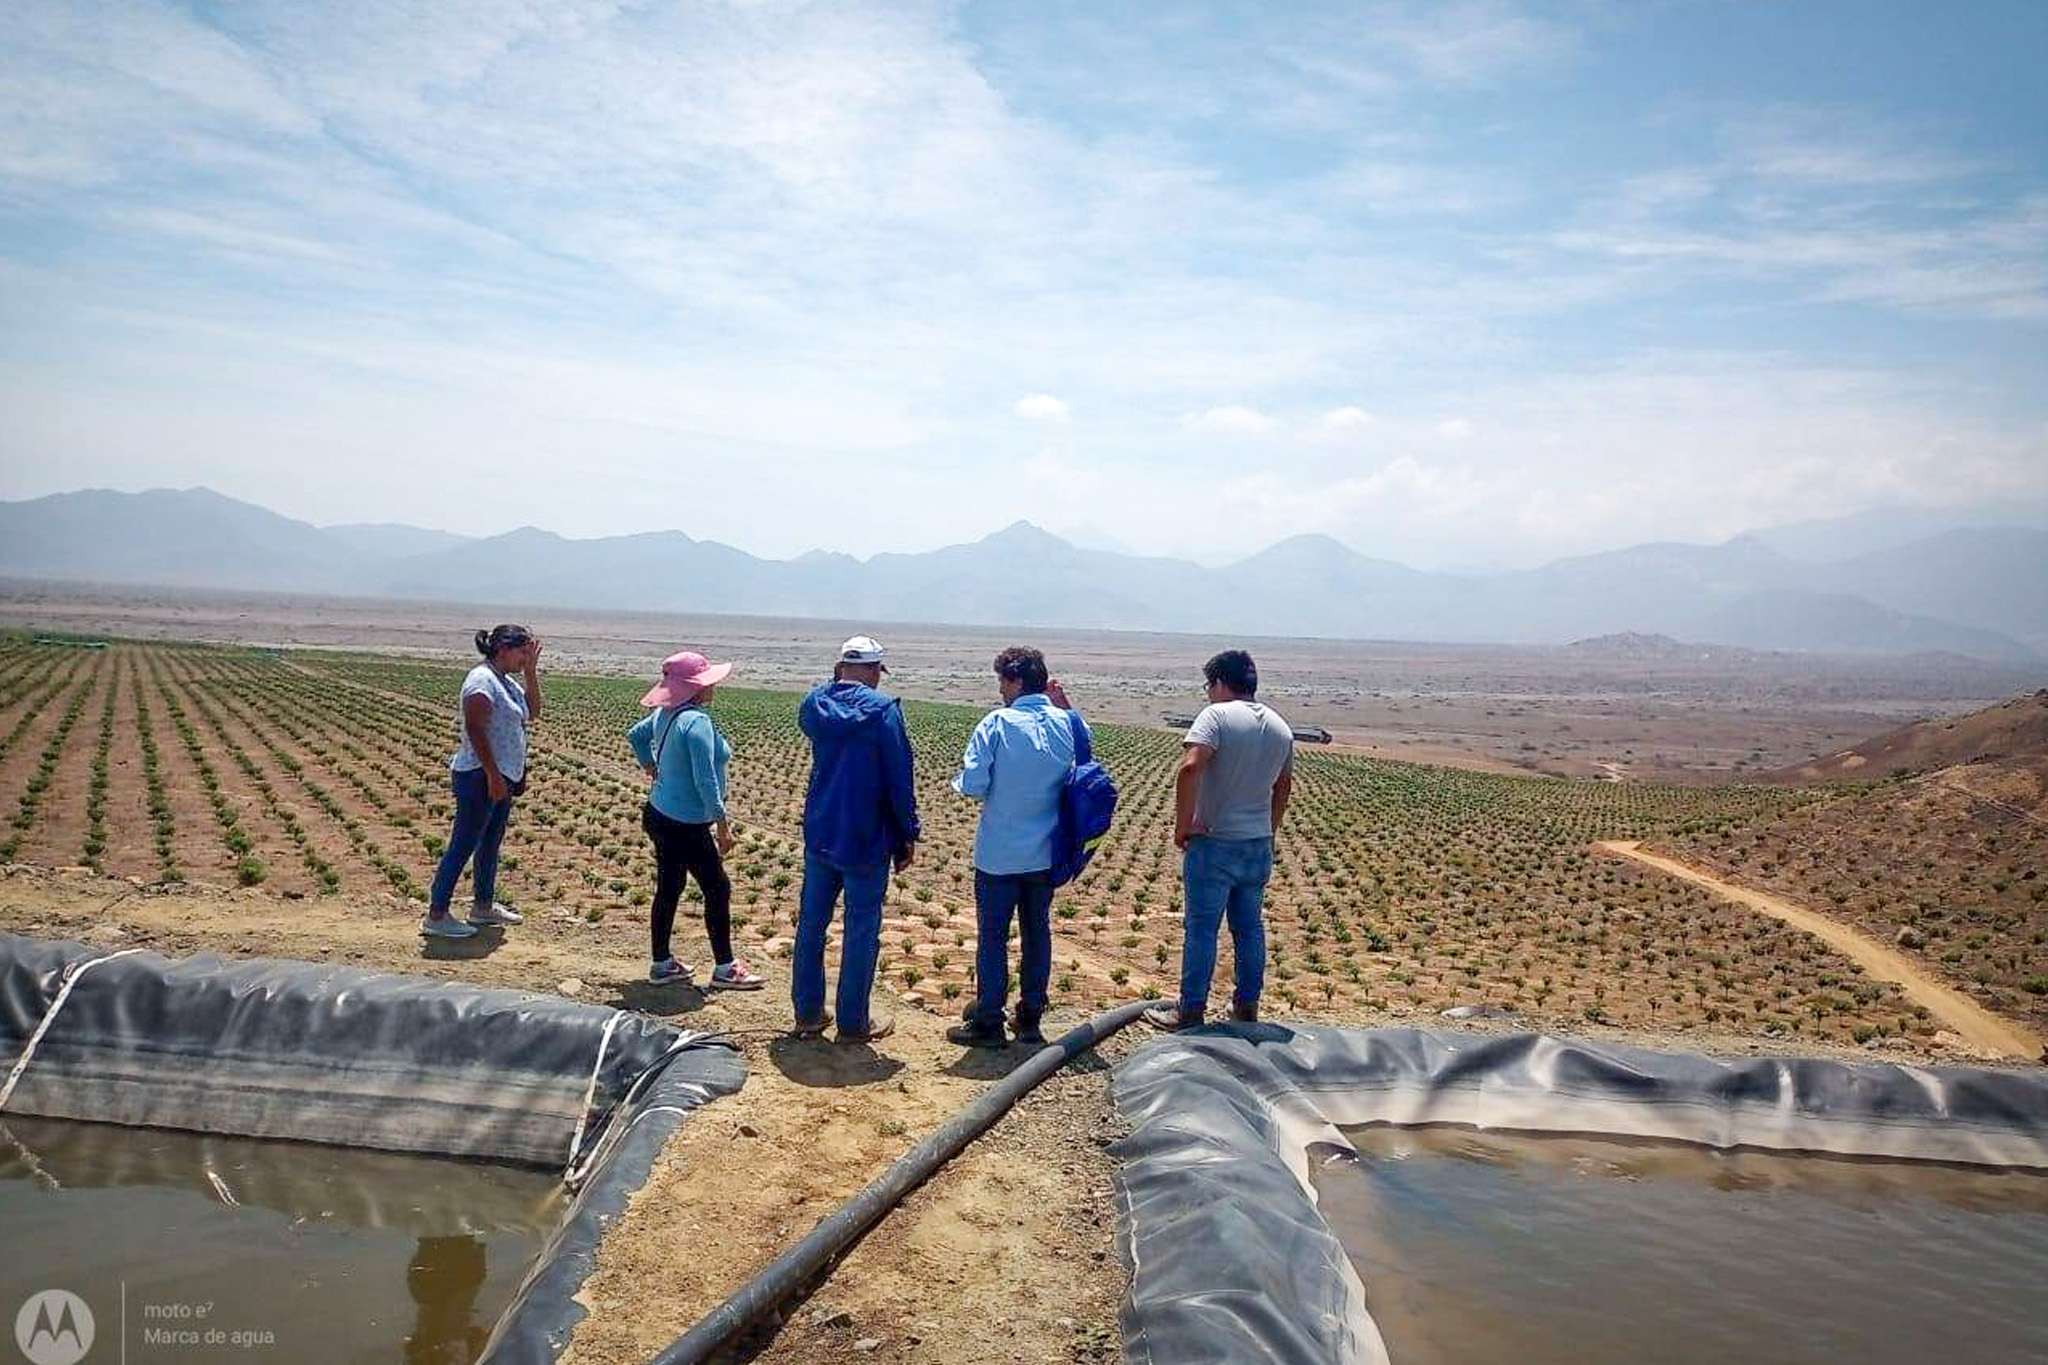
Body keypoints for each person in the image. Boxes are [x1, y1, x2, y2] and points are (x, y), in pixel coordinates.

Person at [1145, 649, 1293, 1030]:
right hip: (1257, 842)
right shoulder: (1280, 726)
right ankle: (1247, 1007)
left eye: (1209, 685)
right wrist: (1269, 827)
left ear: (1221, 683)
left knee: (1201, 928)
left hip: (1216, 841)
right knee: (1249, 928)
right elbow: (1284, 785)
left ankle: (1190, 1010)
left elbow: (1190, 766)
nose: (1208, 693)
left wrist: (1184, 824)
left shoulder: (1215, 717)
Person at [946, 647, 1084, 1049]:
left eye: (1002, 681)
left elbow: (972, 784)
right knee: (1036, 932)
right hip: (1046, 854)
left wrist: (963, 784)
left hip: (999, 854)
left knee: (993, 937)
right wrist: (1066, 706)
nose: (1001, 689)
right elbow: (1087, 758)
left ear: (1016, 681)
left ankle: (989, 1020)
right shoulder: (1068, 724)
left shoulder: (996, 724)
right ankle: (1030, 1020)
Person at [791, 635, 920, 1043]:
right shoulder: (884, 712)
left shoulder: (815, 704)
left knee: (812, 924)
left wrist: (835, 681)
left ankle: (808, 1013)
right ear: (871, 670)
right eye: (878, 672)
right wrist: (907, 834)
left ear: (840, 667)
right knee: (861, 927)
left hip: (822, 828)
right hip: (866, 835)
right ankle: (853, 1021)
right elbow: (899, 777)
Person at [627, 651, 764, 989]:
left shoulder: (666, 713)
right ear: (696, 688)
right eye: (708, 681)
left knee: (670, 887)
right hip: (686, 823)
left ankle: (661, 963)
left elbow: (635, 735)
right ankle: (725, 968)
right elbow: (706, 780)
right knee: (718, 888)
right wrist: (722, 823)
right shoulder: (697, 722)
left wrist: (649, 765)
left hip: (658, 813)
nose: (714, 685)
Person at [425, 625, 541, 939]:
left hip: (500, 775)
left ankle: (483, 906)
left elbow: (532, 713)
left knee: (490, 843)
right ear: (504, 648)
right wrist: (492, 774)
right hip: (479, 776)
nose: (525, 658)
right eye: (523, 652)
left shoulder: (506, 681)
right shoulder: (481, 681)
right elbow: (475, 729)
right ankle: (437, 914)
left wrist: (531, 672)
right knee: (464, 843)